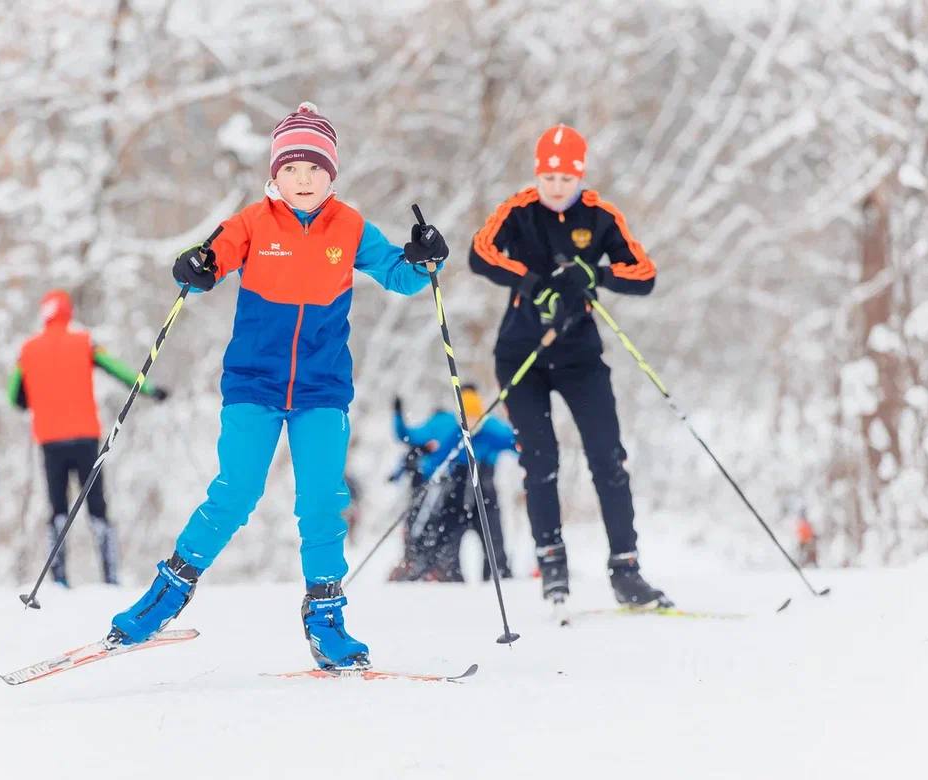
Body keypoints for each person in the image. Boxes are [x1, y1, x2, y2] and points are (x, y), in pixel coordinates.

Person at [107, 102, 448, 670]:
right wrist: (195, 267)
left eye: (314, 168)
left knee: (322, 502)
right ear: (275, 175)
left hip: (322, 389)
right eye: (291, 169)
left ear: (331, 174)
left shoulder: (351, 227)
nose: (303, 179)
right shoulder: (253, 223)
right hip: (253, 385)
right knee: (235, 492)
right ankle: (165, 595)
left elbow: (401, 275)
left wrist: (422, 257)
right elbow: (209, 261)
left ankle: (326, 620)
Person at [468, 123, 672, 610]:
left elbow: (643, 275)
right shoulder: (519, 210)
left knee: (608, 457)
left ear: (580, 175)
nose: (556, 187)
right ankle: (552, 566)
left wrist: (595, 273)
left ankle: (626, 570)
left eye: (566, 178)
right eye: (548, 177)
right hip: (523, 354)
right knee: (540, 459)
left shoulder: (599, 216)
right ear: (537, 174)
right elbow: (480, 254)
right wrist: (529, 280)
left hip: (580, 355)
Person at [8, 289, 169, 586]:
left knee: (57, 507)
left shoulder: (27, 351)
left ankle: (58, 578)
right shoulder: (85, 343)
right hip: (85, 438)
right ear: (67, 312)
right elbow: (119, 371)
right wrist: (151, 390)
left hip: (50, 440)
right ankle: (110, 576)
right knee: (96, 504)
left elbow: (15, 398)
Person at [390, 385, 515, 581]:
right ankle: (447, 577)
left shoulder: (493, 429)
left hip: (485, 496)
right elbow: (418, 444)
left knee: (494, 545)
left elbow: (517, 441)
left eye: (476, 419)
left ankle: (498, 575)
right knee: (447, 548)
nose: (472, 425)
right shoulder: (449, 428)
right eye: (467, 419)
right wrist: (418, 465)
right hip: (455, 497)